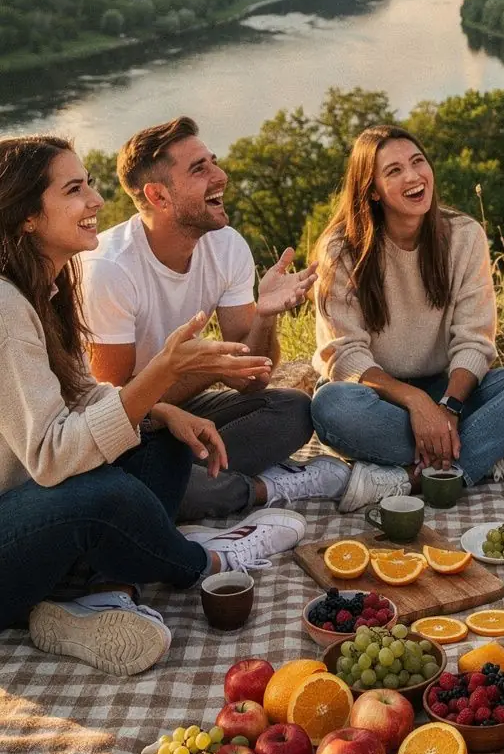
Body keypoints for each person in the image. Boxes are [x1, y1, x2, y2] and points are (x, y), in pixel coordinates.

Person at [0, 135, 306, 677]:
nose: (95, 201)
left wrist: (162, 408)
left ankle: (102, 593)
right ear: (26, 217)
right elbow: (50, 455)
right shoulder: (7, 309)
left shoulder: (44, 286)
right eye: (74, 190)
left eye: (89, 183)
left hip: (32, 512)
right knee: (108, 495)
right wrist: (166, 373)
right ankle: (206, 560)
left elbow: (83, 391)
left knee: (160, 437)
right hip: (17, 523)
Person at [81, 116, 384, 519]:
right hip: (114, 431)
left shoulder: (225, 246)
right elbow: (115, 411)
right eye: (199, 169)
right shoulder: (111, 270)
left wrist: (263, 315)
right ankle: (263, 488)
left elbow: (254, 378)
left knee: (292, 410)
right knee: (157, 490)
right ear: (158, 196)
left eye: (213, 162)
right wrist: (208, 367)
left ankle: (186, 482)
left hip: (184, 413)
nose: (220, 176)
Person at [310, 124, 504, 500]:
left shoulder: (464, 235)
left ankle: (415, 477)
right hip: (379, 397)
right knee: (330, 407)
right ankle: (492, 453)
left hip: (451, 388)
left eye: (418, 162)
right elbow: (345, 357)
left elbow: (474, 339)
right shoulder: (341, 249)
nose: (413, 176)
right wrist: (417, 403)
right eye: (394, 171)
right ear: (372, 190)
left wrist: (447, 408)